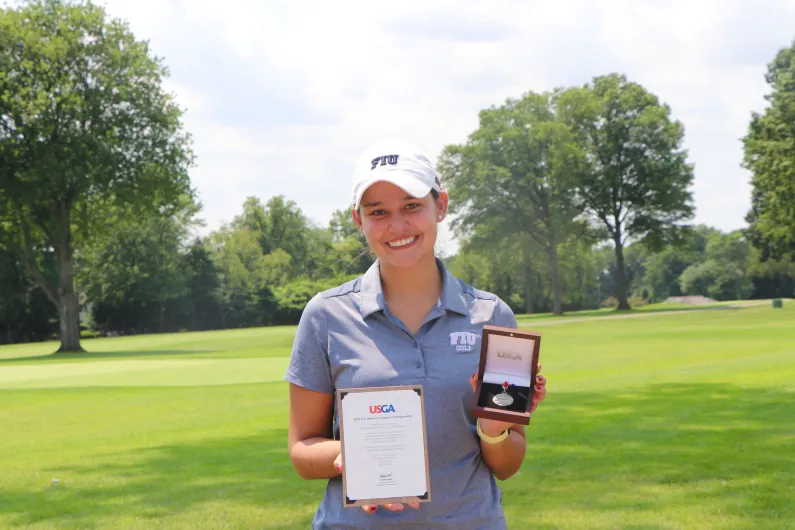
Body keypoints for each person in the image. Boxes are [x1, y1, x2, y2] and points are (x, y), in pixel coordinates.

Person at [285, 140, 547, 529]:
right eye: (379, 212)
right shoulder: (326, 315)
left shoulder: (493, 315)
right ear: (359, 220)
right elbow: (302, 451)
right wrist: (359, 456)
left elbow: (508, 465)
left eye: (411, 206)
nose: (397, 225)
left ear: (440, 205)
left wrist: (493, 431)